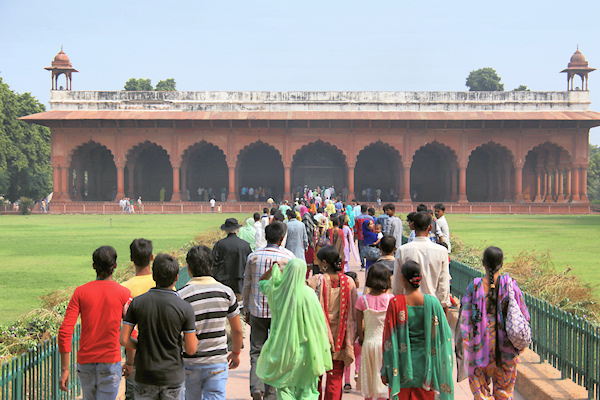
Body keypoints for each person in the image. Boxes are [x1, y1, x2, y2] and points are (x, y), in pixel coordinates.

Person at [120, 253, 198, 400]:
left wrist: (141, 345)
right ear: (176, 278)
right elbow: (191, 348)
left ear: (154, 276)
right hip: (172, 375)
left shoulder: (137, 303)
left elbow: (124, 339)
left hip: (145, 374)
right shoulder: (184, 307)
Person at [58, 246, 132, 399]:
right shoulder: (123, 294)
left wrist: (65, 369)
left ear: (93, 266)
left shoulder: (80, 292)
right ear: (115, 266)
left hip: (86, 363)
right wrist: (130, 362)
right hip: (110, 362)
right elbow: (132, 331)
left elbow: (65, 331)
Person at [256, 258, 333, 400]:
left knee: (285, 388)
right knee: (308, 389)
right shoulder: (309, 294)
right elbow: (319, 323)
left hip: (283, 349)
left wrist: (271, 270)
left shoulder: (277, 291)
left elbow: (261, 282)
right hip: (307, 350)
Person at [459, 246, 530, 399]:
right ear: (502, 264)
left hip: (479, 350)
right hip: (506, 351)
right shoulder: (510, 286)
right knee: (504, 392)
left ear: (483, 263)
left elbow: (465, 319)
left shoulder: (474, 287)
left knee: (481, 393)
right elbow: (523, 315)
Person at [382, 261, 454, 400]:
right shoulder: (433, 303)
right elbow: (443, 336)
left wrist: (386, 369)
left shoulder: (395, 303)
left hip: (401, 367)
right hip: (426, 366)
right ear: (421, 277)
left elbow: (388, 340)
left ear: (402, 278)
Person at [179, 245, 243, 400]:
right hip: (217, 362)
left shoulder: (180, 296)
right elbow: (237, 330)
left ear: (189, 268)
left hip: (190, 363)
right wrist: (235, 352)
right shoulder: (226, 293)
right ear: (212, 266)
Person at [243, 222, 295, 400]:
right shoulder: (288, 258)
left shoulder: (253, 257)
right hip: (278, 313)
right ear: (282, 238)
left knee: (257, 350)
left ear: (266, 237)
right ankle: (271, 392)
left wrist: (246, 308)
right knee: (274, 352)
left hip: (257, 310)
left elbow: (247, 285)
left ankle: (257, 387)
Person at [307, 246, 357, 400]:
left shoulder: (315, 281)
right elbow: (354, 313)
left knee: (315, 378)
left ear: (324, 263)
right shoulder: (349, 282)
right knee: (335, 379)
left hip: (318, 337)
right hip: (341, 338)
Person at [392, 211, 450, 314]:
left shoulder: (403, 250)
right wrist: (443, 307)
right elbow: (443, 283)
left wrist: (398, 302)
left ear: (413, 226)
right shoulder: (441, 251)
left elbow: (397, 282)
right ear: (430, 227)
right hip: (432, 306)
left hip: (408, 306)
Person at [122, 238, 156, 400]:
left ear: (131, 259)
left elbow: (125, 327)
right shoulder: (163, 284)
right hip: (160, 350)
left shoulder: (124, 288)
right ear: (151, 257)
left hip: (135, 352)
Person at [355, 263, 394, 400]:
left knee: (370, 382)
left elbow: (359, 324)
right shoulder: (391, 299)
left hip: (369, 343)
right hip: (386, 345)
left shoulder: (362, 300)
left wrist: (361, 337)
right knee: (385, 382)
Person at [212, 218, 253, 301]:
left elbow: (213, 261)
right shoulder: (245, 245)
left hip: (223, 282)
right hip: (240, 281)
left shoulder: (220, 244)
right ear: (237, 229)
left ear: (226, 230)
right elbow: (250, 263)